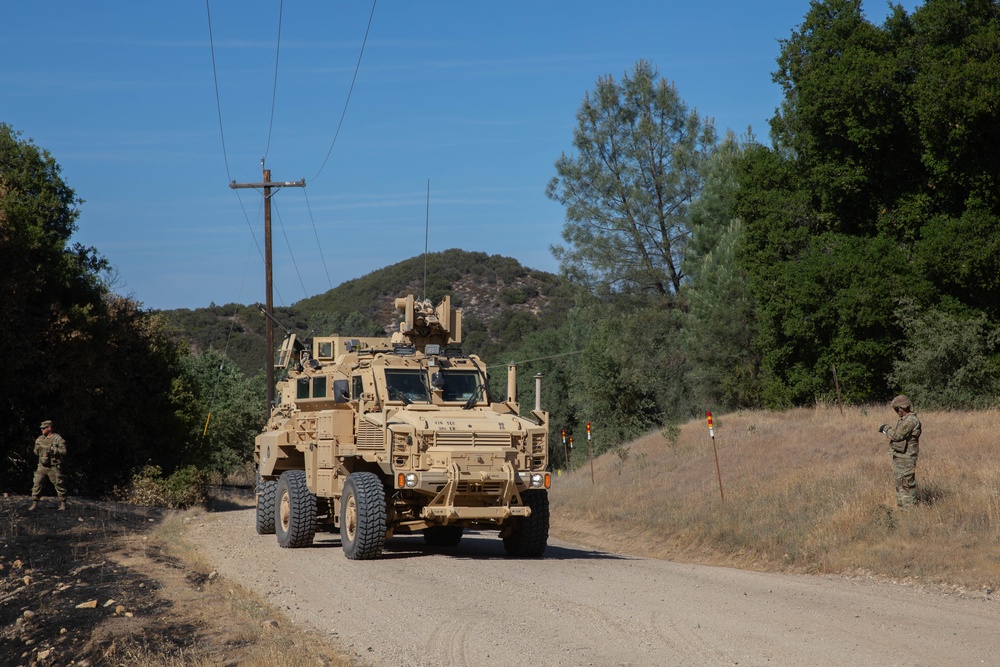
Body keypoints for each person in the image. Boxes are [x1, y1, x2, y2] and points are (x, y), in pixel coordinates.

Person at [879, 395, 921, 509]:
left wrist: (886, 429)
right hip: (901, 457)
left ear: (903, 408)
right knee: (901, 485)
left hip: (906, 458)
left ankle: (909, 511)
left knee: (906, 485)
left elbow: (897, 436)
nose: (897, 412)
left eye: (897, 409)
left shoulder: (911, 421)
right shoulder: (906, 420)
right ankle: (903, 509)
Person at [29, 420, 68, 511]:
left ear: (49, 428)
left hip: (53, 466)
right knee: (37, 483)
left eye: (44, 428)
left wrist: (55, 450)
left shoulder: (58, 439)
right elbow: (35, 452)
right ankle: (34, 502)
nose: (42, 430)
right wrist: (38, 449)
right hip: (42, 466)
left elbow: (64, 451)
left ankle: (63, 503)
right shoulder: (40, 439)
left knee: (59, 484)